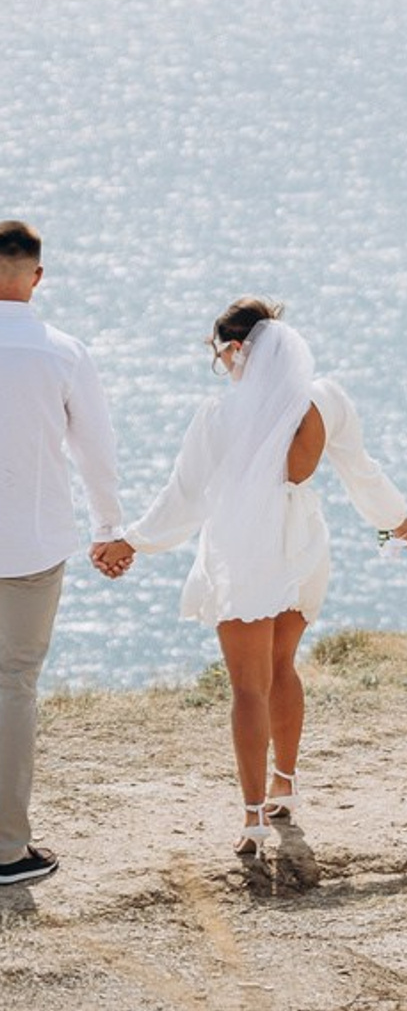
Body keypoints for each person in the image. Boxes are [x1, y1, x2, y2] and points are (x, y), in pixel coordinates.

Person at [95, 297, 407, 857]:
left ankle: (252, 818)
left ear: (234, 351)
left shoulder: (220, 416)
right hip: (302, 546)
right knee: (282, 665)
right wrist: (401, 522)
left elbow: (184, 496)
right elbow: (360, 471)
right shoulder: (325, 400)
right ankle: (287, 787)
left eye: (220, 356)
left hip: (245, 550)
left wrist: (132, 541)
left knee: (248, 686)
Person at [0, 220, 126, 886]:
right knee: (12, 686)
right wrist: (109, 527)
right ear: (37, 278)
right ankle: (6, 849)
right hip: (29, 547)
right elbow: (95, 452)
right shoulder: (64, 352)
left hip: (31, 547)